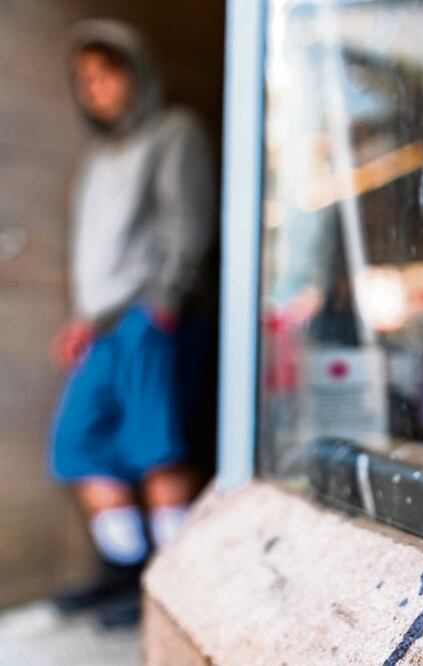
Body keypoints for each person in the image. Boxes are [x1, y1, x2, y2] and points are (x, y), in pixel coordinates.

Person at [48, 20, 215, 628]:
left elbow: (188, 217)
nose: (94, 87)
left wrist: (166, 297)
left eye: (106, 73)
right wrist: (83, 319)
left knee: (156, 448)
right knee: (80, 443)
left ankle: (176, 587)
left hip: (151, 316)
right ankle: (127, 572)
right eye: (84, 79)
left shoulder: (174, 131)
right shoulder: (97, 159)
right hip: (102, 328)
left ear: (135, 70)